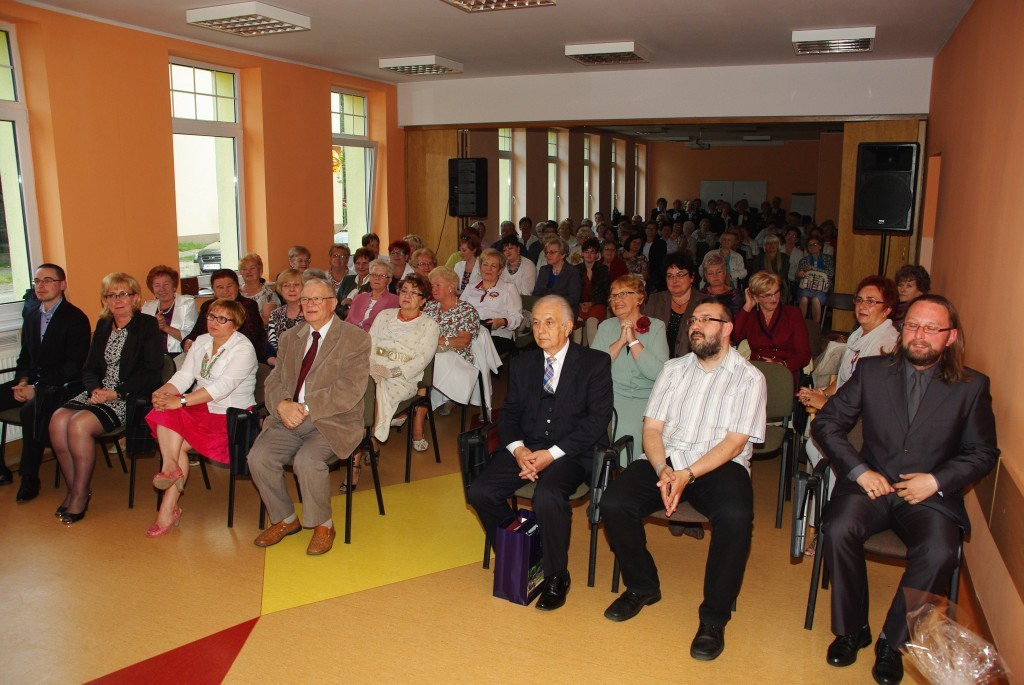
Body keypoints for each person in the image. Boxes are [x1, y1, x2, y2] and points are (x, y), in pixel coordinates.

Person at [812, 294, 999, 685]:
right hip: (872, 483)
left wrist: (935, 480)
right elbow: (826, 423)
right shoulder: (873, 370)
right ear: (902, 330)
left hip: (930, 495)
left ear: (950, 337)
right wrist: (860, 471)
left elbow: (983, 453)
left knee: (940, 550)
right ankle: (851, 630)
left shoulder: (971, 386)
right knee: (838, 527)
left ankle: (890, 641)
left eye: (932, 328)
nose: (920, 335)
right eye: (913, 325)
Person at [599, 301, 766, 663]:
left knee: (737, 518)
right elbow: (652, 429)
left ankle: (713, 619)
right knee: (613, 503)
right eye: (694, 320)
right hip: (669, 458)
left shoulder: (749, 377)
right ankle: (643, 586)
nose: (696, 326)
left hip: (719, 464)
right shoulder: (673, 370)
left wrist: (688, 475)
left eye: (707, 320)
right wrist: (663, 470)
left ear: (727, 329)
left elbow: (735, 442)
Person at [466, 295, 613, 611]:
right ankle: (525, 550)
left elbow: (597, 422)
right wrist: (519, 451)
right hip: (527, 447)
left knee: (547, 496)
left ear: (568, 327)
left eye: (549, 322)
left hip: (571, 452)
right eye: (535, 322)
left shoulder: (595, 363)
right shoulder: (523, 363)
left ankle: (557, 574)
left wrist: (551, 454)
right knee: (479, 491)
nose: (540, 329)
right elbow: (510, 413)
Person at [249, 278, 371, 556]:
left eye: (317, 299)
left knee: (307, 462)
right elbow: (274, 379)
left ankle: (322, 525)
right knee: (259, 458)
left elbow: (349, 389)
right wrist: (281, 405)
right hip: (288, 418)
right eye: (305, 299)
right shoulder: (291, 337)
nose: (310, 304)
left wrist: (304, 408)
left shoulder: (355, 338)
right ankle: (285, 518)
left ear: (332, 303)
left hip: (332, 420)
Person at [49, 273, 164, 524]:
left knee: (78, 425)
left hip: (127, 396)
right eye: (111, 295)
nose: (117, 300)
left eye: (123, 294)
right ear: (105, 300)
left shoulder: (146, 325)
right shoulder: (103, 325)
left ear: (135, 298)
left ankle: (79, 496)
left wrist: (116, 392)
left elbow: (153, 371)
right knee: (57, 421)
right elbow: (88, 367)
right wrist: (94, 390)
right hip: (98, 392)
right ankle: (75, 489)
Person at [144, 298, 257, 537]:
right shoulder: (203, 341)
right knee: (162, 409)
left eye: (222, 319)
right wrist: (164, 392)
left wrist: (181, 400)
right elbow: (185, 376)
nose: (214, 322)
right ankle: (170, 476)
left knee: (175, 437)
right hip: (201, 407)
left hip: (230, 415)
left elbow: (221, 389)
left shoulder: (243, 349)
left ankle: (168, 502)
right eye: (211, 317)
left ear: (235, 325)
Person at [0, 264, 90, 502]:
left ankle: (29, 478)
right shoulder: (31, 315)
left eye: (48, 280)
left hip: (64, 386)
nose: (41, 286)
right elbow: (25, 356)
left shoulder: (75, 318)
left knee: (32, 411)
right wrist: (22, 380)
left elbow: (74, 366)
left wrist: (36, 389)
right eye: (37, 281)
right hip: (33, 382)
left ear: (62, 285)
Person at [591, 275, 670, 464]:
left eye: (624, 294)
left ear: (640, 298)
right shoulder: (605, 327)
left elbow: (658, 373)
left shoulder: (656, 327)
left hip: (644, 401)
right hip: (609, 397)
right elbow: (592, 368)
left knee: (633, 432)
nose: (617, 300)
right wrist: (620, 341)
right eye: (613, 296)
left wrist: (633, 340)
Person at [364, 274, 438, 473]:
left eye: (415, 293)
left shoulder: (430, 325)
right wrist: (372, 367)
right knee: (358, 386)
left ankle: (369, 439)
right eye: (404, 290)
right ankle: (370, 434)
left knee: (376, 389)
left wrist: (390, 372)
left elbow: (422, 360)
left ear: (423, 300)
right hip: (374, 368)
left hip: (403, 378)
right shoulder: (385, 315)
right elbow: (370, 343)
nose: (407, 295)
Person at [414, 266, 480, 425]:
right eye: (432, 285)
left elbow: (463, 342)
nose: (433, 288)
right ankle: (415, 404)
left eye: (438, 285)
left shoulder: (466, 310)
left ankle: (418, 411)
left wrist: (438, 340)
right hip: (431, 353)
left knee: (423, 365)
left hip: (456, 359)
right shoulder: (430, 307)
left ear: (451, 287)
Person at [734, 270, 811, 389]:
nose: (774, 298)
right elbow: (735, 336)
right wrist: (748, 306)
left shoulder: (792, 314)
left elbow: (804, 355)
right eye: (767, 295)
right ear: (755, 297)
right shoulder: (751, 316)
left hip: (783, 371)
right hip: (756, 372)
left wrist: (782, 364)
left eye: (776, 292)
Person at [184, 269, 267, 362]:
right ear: (213, 289)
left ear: (237, 286)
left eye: (229, 286)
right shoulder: (208, 306)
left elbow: (248, 338)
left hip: (238, 357)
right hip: (207, 354)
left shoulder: (248, 306)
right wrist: (188, 342)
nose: (225, 291)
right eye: (220, 287)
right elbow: (195, 333)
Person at [645, 253, 713, 359]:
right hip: (657, 364)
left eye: (680, 275)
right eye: (670, 276)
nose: (675, 280)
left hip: (694, 364)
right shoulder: (655, 300)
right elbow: (644, 335)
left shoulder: (706, 302)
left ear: (692, 277)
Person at [460, 248, 522, 358]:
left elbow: (517, 317)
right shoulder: (470, 288)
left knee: (472, 350)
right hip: (470, 333)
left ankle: (479, 375)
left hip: (497, 335)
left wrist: (502, 322)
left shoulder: (509, 288)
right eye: (485, 264)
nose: (488, 269)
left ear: (500, 270)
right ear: (480, 267)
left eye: (493, 266)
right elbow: (459, 312)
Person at [141, 265, 198, 356]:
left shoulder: (187, 303)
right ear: (152, 289)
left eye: (166, 284)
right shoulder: (147, 306)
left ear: (174, 287)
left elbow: (191, 338)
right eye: (157, 285)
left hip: (179, 356)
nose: (162, 289)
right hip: (152, 357)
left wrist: (165, 327)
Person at [346, 258, 399, 333]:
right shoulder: (359, 298)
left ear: (389, 280)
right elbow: (348, 322)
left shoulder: (395, 301)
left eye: (382, 276)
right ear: (369, 278)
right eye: (374, 275)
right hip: (352, 336)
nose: (377, 278)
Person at [574, 238, 610, 346]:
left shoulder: (603, 270)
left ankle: (594, 354)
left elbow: (605, 292)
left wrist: (591, 303)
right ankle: (576, 353)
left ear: (597, 255)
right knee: (576, 323)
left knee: (591, 323)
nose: (589, 255)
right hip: (579, 305)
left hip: (597, 304)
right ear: (582, 254)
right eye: (586, 251)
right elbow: (573, 290)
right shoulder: (575, 269)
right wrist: (580, 303)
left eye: (592, 252)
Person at [266, 268, 305, 367]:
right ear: (280, 289)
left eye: (296, 285)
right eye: (286, 285)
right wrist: (279, 364)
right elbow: (271, 346)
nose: (291, 289)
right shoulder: (275, 314)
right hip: (280, 366)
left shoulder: (311, 313)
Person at [534, 236, 581, 316]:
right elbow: (536, 293)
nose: (548, 255)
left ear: (563, 254)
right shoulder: (543, 270)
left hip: (565, 311)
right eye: (547, 252)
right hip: (544, 309)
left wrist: (553, 303)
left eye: (552, 252)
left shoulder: (573, 272)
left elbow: (573, 298)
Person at [795, 236, 835, 324]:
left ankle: (815, 326)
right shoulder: (804, 260)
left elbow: (831, 274)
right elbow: (797, 279)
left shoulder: (828, 258)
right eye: (810, 245)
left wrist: (814, 269)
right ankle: (800, 324)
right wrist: (800, 274)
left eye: (815, 244)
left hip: (822, 288)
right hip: (807, 287)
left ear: (820, 246)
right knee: (804, 299)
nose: (812, 247)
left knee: (815, 299)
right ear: (807, 248)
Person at [238, 253, 278, 326]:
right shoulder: (236, 291)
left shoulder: (268, 294)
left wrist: (240, 324)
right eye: (244, 269)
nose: (248, 272)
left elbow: (266, 320)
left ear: (260, 270)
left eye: (252, 268)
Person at [337, 247, 374, 318]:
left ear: (372, 264)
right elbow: (336, 304)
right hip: (342, 321)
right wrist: (345, 311)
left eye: (365, 263)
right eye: (358, 263)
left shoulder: (374, 283)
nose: (361, 266)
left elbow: (370, 308)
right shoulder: (347, 279)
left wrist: (353, 305)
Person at [892, 264, 931, 330]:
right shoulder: (892, 309)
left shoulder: (922, 313)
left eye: (909, 286)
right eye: (900, 285)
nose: (902, 290)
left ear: (921, 290)